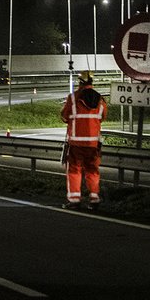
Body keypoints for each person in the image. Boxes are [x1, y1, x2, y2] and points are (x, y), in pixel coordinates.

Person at [61, 70, 107, 211]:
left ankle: (74, 200)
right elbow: (103, 117)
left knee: (74, 171)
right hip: (93, 144)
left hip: (76, 144)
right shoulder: (100, 100)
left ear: (80, 82)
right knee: (93, 171)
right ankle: (94, 199)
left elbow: (64, 116)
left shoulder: (73, 98)